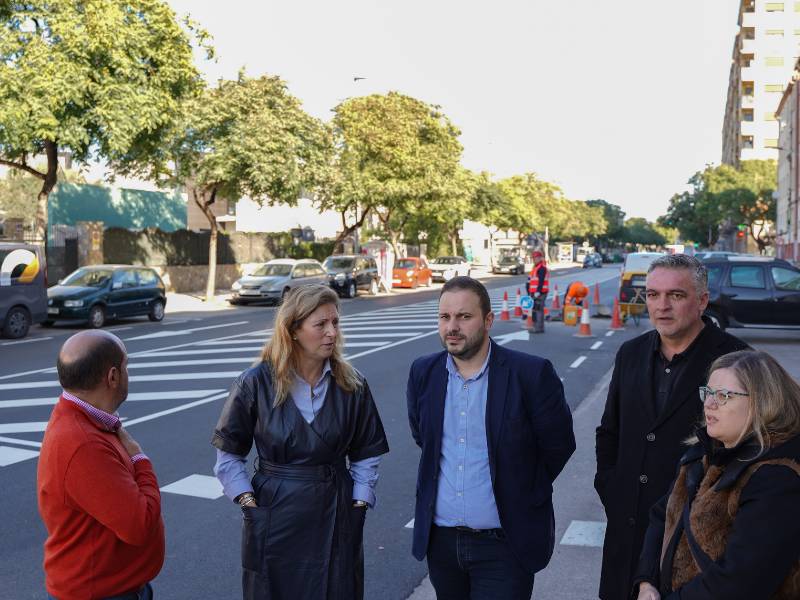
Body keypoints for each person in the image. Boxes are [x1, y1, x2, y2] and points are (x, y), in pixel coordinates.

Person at [211, 284, 389, 600]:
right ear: (293, 329)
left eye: (335, 322)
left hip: (336, 510)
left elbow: (365, 453)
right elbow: (228, 455)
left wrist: (359, 503)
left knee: (336, 589)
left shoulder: (352, 384)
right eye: (320, 324)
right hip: (273, 513)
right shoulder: (256, 382)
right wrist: (249, 503)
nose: (331, 332)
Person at [407, 276, 575, 599]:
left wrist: (521, 488)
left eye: (464, 316)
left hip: (505, 544)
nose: (452, 327)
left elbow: (558, 445)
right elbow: (423, 437)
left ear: (488, 320)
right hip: (442, 544)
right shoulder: (423, 372)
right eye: (445, 317)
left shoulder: (530, 374)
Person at [594, 254, 749, 600]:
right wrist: (611, 488)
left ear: (702, 301)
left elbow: (748, 449)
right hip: (627, 531)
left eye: (675, 296)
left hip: (693, 537)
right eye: (652, 295)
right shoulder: (630, 353)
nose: (661, 306)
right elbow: (610, 432)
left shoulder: (737, 362)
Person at [634, 350, 800, 600]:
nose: (709, 404)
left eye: (723, 396)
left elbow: (740, 582)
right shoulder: (704, 454)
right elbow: (662, 515)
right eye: (708, 392)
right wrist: (646, 582)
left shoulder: (776, 478)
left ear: (763, 402)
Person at [38, 330, 164, 600]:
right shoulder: (83, 443)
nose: (128, 373)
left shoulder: (83, 419)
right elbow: (139, 525)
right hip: (100, 592)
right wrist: (140, 459)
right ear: (113, 377)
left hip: (110, 585)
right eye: (126, 366)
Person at [527, 250, 549, 332]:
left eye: (535, 258)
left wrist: (538, 291)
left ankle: (539, 328)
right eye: (533, 258)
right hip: (534, 292)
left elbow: (541, 281)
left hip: (540, 292)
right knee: (535, 310)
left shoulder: (542, 268)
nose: (534, 260)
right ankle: (536, 326)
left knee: (539, 310)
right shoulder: (535, 268)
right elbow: (531, 280)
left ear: (540, 258)